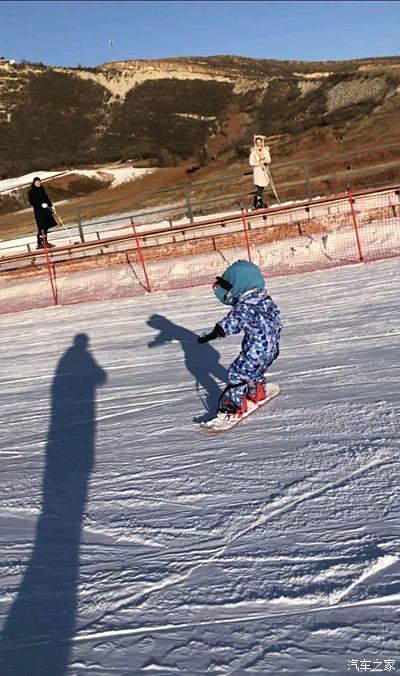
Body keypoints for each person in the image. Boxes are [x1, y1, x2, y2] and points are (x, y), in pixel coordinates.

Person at [197, 259, 282, 422]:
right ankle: (258, 391)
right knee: (254, 371)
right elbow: (277, 319)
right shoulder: (266, 300)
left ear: (239, 285)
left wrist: (216, 331)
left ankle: (237, 404)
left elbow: (234, 321)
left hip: (255, 351)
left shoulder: (244, 306)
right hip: (272, 349)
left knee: (236, 374)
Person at [28, 177, 57, 249]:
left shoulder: (42, 189)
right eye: (36, 182)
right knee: (42, 227)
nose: (38, 183)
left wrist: (51, 206)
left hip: (46, 210)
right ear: (34, 183)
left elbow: (46, 198)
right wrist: (40, 204)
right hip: (39, 212)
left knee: (46, 227)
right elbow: (32, 202)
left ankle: (44, 241)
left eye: (39, 182)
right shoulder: (31, 192)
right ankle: (41, 242)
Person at [248, 135, 271, 209]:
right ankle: (258, 202)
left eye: (260, 142)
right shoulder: (254, 152)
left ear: (262, 142)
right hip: (258, 171)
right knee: (259, 187)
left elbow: (269, 159)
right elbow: (251, 162)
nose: (258, 144)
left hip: (264, 171)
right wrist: (258, 163)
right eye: (257, 142)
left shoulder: (265, 151)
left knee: (262, 187)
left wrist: (265, 161)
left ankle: (258, 202)